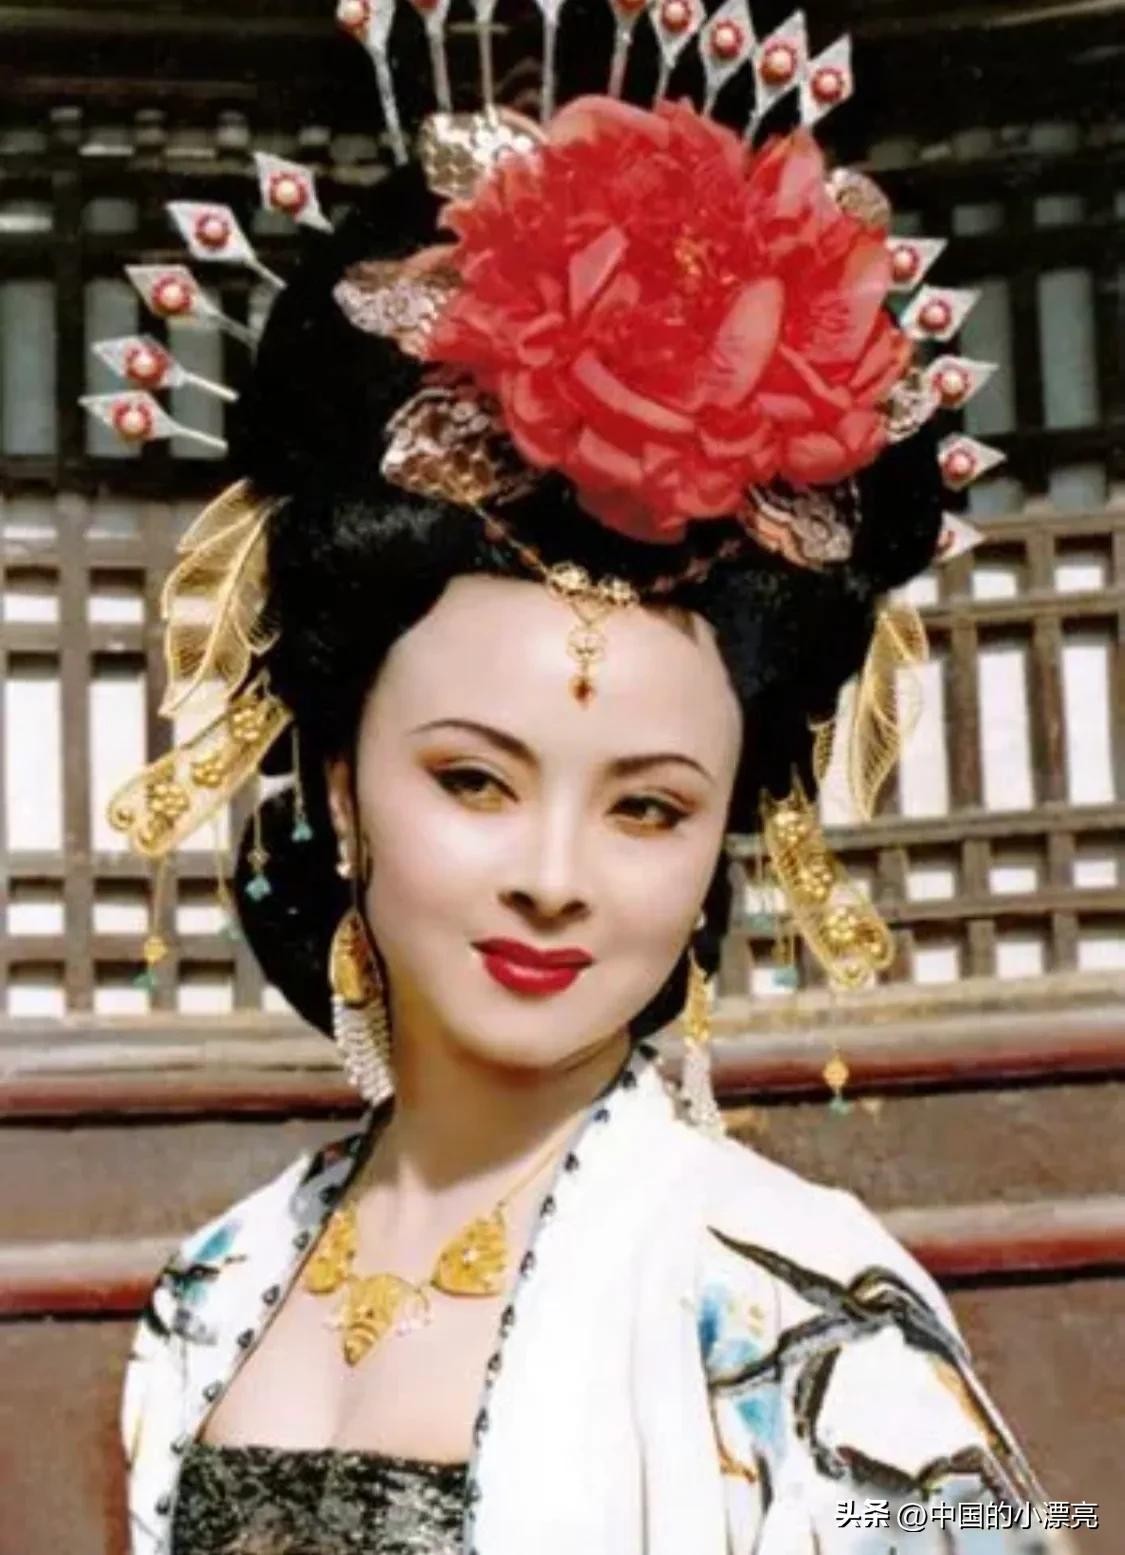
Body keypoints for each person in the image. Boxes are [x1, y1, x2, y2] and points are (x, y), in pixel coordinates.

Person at [98, 15, 1078, 1555]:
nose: (552, 877)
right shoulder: (214, 1290)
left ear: (723, 835)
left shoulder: (795, 1315)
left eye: (646, 807)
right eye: (473, 781)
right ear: (342, 789)